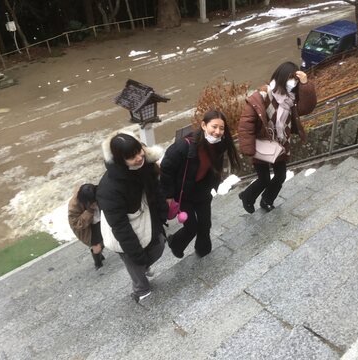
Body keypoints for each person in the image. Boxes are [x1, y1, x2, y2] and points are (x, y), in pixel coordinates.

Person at [96, 131, 168, 303]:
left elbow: (155, 188)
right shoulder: (108, 189)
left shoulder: (146, 164)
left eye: (138, 151)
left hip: (146, 215)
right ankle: (141, 291)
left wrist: (163, 210)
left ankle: (143, 265)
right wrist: (136, 254)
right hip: (124, 229)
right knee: (134, 261)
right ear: (121, 160)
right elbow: (120, 227)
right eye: (131, 156)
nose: (138, 157)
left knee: (159, 245)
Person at [237, 61, 317, 213]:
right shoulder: (262, 95)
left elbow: (307, 107)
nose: (291, 82)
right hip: (262, 143)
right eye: (289, 78)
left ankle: (267, 200)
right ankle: (247, 196)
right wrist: (248, 147)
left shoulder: (291, 100)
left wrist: (305, 83)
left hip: (280, 144)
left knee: (280, 176)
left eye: (294, 79)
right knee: (264, 179)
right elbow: (246, 122)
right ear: (280, 77)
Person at [160, 109, 240, 259]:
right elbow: (166, 169)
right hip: (183, 193)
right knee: (191, 227)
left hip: (202, 190)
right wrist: (169, 195)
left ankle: (203, 250)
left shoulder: (218, 145)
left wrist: (214, 186)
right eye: (214, 127)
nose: (217, 132)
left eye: (221, 128)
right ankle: (175, 242)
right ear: (204, 125)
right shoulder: (183, 146)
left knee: (205, 223)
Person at [68, 183, 105, 269]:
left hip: (100, 219)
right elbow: (76, 223)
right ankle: (98, 263)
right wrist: (89, 211)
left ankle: (99, 254)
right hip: (88, 228)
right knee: (97, 246)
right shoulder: (73, 206)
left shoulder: (96, 191)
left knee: (104, 239)